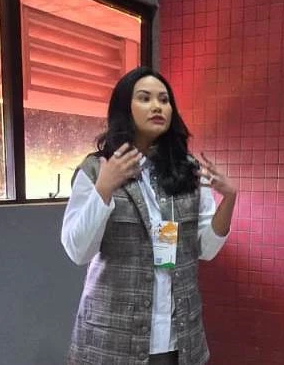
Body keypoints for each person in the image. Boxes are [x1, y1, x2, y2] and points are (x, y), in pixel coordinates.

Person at [61, 67, 237, 364]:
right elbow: (78, 250)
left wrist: (229, 199)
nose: (157, 106)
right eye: (144, 98)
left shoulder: (187, 171)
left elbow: (206, 249)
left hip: (178, 338)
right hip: (111, 342)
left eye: (164, 100)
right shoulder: (96, 169)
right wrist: (104, 188)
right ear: (124, 108)